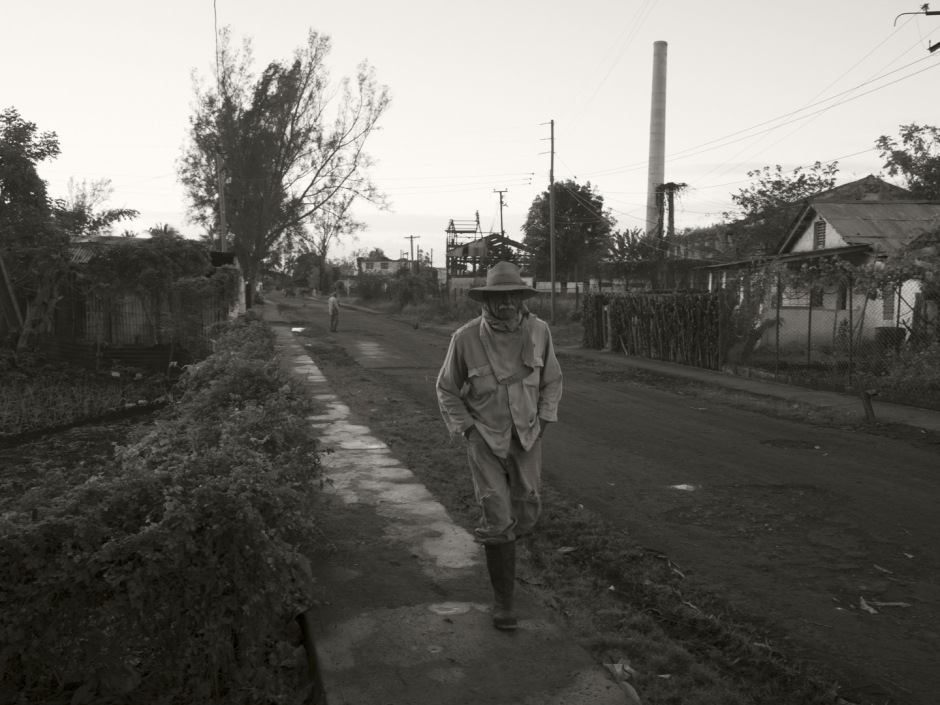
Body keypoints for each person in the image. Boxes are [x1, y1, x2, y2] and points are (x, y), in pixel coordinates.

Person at [436, 261, 562, 630]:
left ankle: (509, 543)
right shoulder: (466, 337)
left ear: (521, 298)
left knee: (526, 511)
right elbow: (446, 389)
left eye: (513, 297)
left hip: (527, 437)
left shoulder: (540, 332)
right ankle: (504, 603)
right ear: (487, 301)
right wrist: (467, 430)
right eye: (498, 299)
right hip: (485, 439)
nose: (506, 305)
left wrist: (544, 422)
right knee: (497, 515)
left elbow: (552, 381)